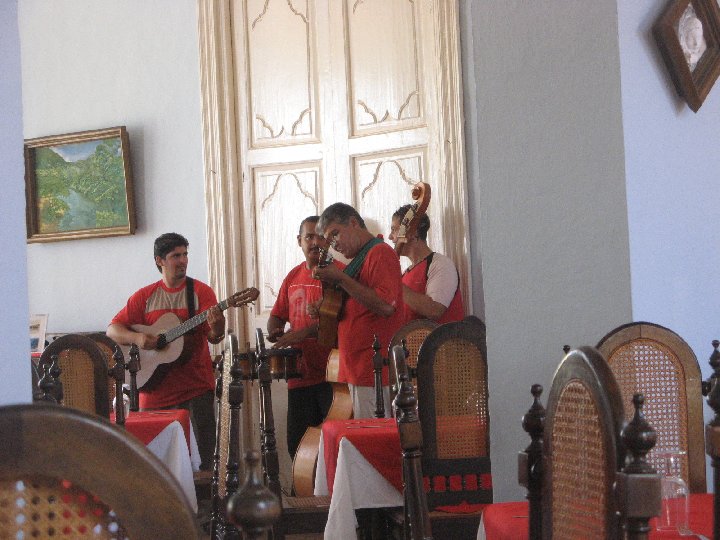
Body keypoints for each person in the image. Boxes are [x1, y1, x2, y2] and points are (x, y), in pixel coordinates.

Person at [107, 232, 225, 471]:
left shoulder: (201, 292)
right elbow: (112, 330)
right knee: (156, 464)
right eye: (175, 256)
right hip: (154, 392)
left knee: (203, 461)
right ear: (159, 261)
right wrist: (138, 337)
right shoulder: (145, 297)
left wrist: (218, 326)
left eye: (185, 254)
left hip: (196, 389)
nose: (182, 260)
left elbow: (213, 337)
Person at [313, 202, 403, 418]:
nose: (334, 245)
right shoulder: (359, 261)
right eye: (329, 240)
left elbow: (385, 305)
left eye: (336, 234)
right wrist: (324, 309)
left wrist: (341, 279)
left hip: (375, 371)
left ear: (354, 223)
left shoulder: (379, 253)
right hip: (358, 370)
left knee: (373, 441)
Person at [267, 216, 339, 459]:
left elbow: (341, 324)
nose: (315, 242)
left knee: (332, 448)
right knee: (297, 449)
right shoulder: (293, 276)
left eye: (320, 236)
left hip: (333, 377)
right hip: (299, 377)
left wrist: (304, 332)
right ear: (300, 241)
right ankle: (304, 498)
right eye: (309, 237)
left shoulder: (338, 275)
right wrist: (275, 331)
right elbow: (276, 316)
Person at [389, 205, 465, 324]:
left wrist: (395, 282)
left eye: (394, 230)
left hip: (441, 342)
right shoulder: (405, 274)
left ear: (413, 233)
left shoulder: (440, 264)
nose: (390, 237)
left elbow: (434, 310)